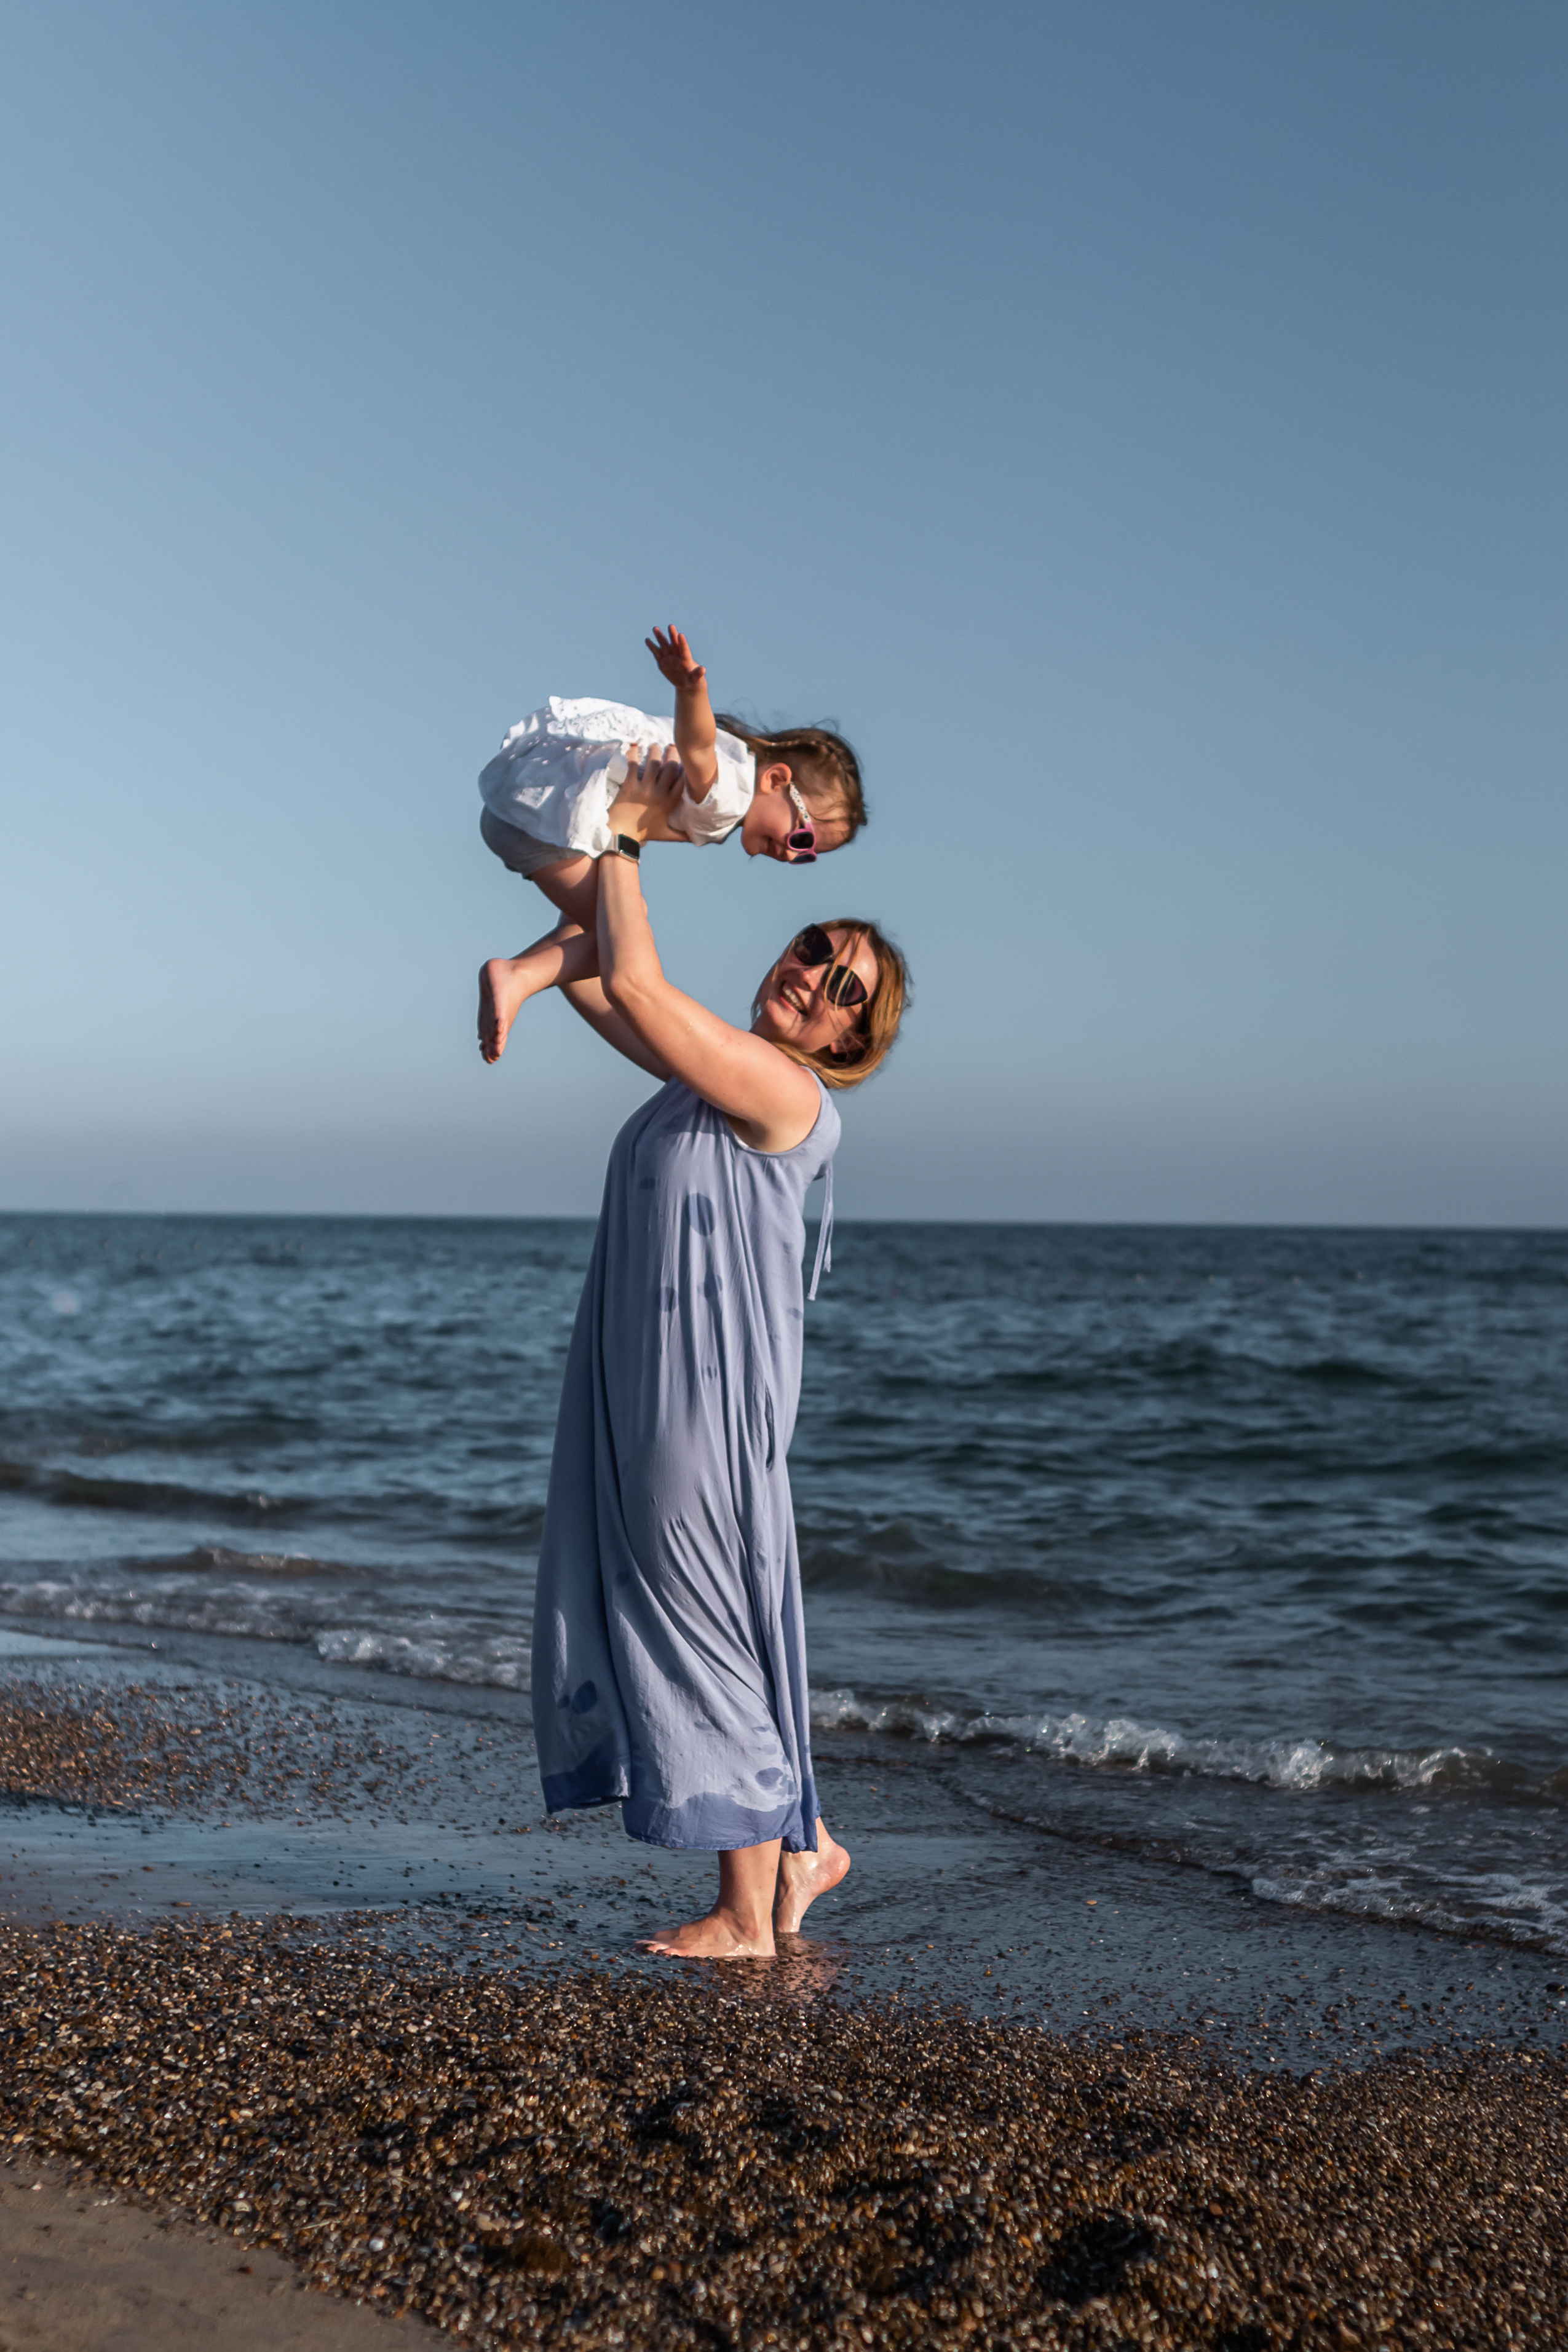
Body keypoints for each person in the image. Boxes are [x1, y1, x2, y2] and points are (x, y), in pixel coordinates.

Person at [530, 745, 910, 1958]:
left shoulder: (783, 1092)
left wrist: (635, 833)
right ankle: (802, 1848)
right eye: (816, 953)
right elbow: (612, 977)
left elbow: (634, 984)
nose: (819, 983)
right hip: (648, 1391)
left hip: (705, 1406)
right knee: (692, 1610)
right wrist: (565, 882)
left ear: (855, 1041)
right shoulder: (703, 1081)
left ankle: (750, 1914)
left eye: (849, 990)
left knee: (698, 1615)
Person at [477, 625, 867, 1063]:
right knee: (624, 935)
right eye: (803, 836)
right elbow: (696, 747)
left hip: (529, 803)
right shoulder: (731, 794)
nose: (794, 853)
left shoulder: (734, 763)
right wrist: (691, 689)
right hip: (544, 825)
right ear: (776, 780)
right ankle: (519, 975)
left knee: (602, 926)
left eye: (808, 855)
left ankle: (518, 975)